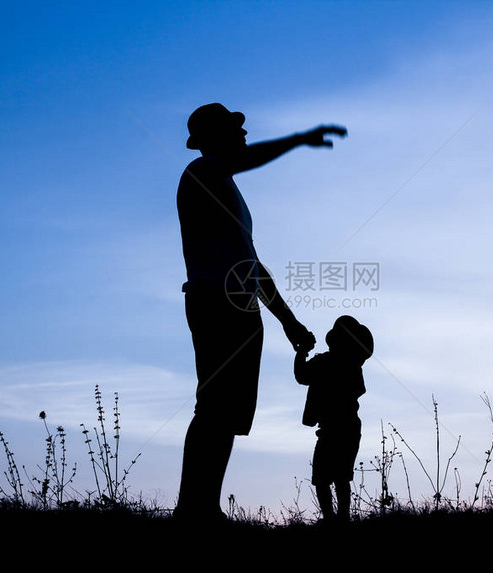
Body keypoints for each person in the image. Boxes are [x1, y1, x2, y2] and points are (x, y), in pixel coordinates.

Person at [175, 103, 347, 520]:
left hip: (241, 308)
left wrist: (288, 321)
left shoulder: (227, 190)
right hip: (216, 302)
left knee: (227, 413)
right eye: (235, 127)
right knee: (213, 407)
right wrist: (298, 139)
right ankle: (191, 510)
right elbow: (244, 159)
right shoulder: (200, 174)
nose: (244, 131)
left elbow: (251, 264)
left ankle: (206, 508)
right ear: (213, 137)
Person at [294, 315, 374, 522]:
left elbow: (301, 375)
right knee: (340, 477)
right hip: (348, 427)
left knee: (325, 478)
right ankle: (340, 518)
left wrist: (302, 351)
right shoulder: (353, 364)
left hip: (332, 428)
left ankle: (332, 519)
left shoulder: (327, 362)